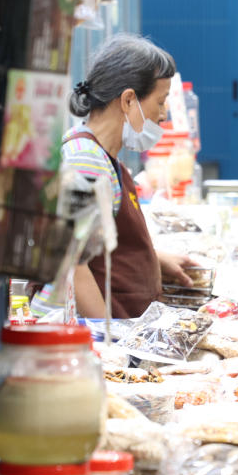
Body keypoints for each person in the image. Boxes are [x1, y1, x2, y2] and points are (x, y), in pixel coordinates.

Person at [32, 33, 197, 319]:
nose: (163, 115)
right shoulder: (86, 161)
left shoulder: (101, 156)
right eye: (159, 102)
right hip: (75, 333)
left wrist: (154, 260)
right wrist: (110, 341)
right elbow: (74, 263)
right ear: (129, 100)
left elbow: (92, 241)